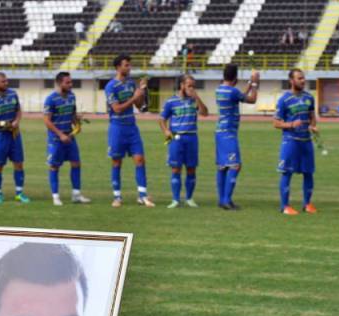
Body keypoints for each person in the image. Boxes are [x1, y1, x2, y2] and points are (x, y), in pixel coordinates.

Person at [105, 54, 154, 207]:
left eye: (129, 65)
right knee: (116, 162)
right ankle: (117, 197)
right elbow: (117, 109)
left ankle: (142, 195)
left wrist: (141, 91)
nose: (129, 67)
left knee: (140, 160)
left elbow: (139, 106)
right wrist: (133, 98)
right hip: (117, 128)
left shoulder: (131, 83)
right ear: (118, 67)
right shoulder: (111, 86)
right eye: (126, 65)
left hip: (132, 127)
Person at [159, 73, 208, 208]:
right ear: (182, 85)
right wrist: (166, 131)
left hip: (192, 138)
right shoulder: (171, 101)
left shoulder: (194, 100)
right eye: (189, 86)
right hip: (175, 138)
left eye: (193, 86)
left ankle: (189, 198)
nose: (191, 88)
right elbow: (162, 119)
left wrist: (197, 97)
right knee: (176, 169)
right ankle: (175, 200)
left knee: (191, 169)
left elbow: (205, 113)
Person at [273, 69, 318, 215]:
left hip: (306, 141)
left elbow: (312, 116)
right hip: (290, 141)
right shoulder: (284, 100)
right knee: (287, 172)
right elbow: (276, 123)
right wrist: (291, 124)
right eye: (299, 78)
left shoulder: (309, 97)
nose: (303, 81)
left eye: (303, 78)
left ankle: (307, 204)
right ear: (291, 81)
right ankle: (285, 206)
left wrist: (313, 126)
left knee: (308, 172)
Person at [42, 71, 91, 206]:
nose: (71, 84)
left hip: (69, 136)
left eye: (71, 82)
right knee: (54, 166)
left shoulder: (71, 96)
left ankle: (76, 195)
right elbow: (47, 121)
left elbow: (72, 114)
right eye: (67, 82)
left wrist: (77, 122)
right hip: (56, 138)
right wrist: (60, 134)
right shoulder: (51, 99)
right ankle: (55, 196)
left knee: (76, 163)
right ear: (59, 83)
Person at [215, 64, 259, 210]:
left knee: (222, 166)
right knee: (235, 165)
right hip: (228, 133)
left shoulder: (219, 89)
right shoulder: (233, 91)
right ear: (235, 77)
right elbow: (251, 99)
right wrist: (255, 84)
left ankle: (222, 199)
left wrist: (249, 83)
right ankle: (227, 200)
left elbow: (239, 96)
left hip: (220, 131)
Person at [0, 72, 29, 204]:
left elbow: (18, 111)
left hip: (14, 135)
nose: (6, 83)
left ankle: (19, 193)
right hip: (0, 136)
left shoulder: (13, 94)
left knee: (19, 163)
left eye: (7, 81)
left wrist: (16, 121)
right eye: (3, 81)